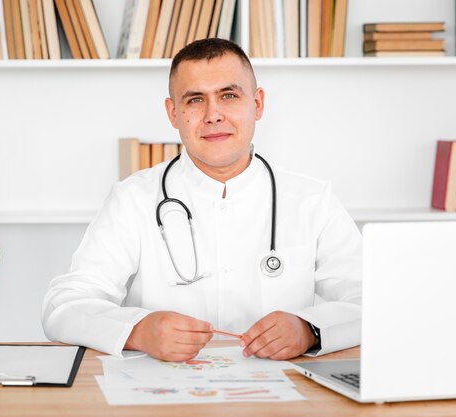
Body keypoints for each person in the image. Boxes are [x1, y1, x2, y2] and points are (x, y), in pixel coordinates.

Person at [42, 38, 362, 362]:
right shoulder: (132, 200)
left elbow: (375, 297)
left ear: (258, 103)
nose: (213, 115)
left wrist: (310, 329)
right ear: (173, 113)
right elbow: (63, 305)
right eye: (195, 99)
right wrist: (138, 330)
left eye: (228, 95)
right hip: (164, 400)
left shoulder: (312, 200)